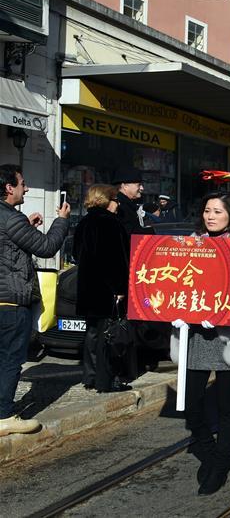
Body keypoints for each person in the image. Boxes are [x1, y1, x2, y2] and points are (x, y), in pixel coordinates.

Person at [173, 191, 230, 495]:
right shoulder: (192, 242)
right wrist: (176, 311)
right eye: (207, 210)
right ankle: (209, 452)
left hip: (227, 337)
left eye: (218, 212)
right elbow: (176, 283)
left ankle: (221, 460)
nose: (210, 216)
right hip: (197, 337)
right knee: (191, 405)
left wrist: (225, 313)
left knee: (226, 407)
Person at [0, 165, 70, 437]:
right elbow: (46, 247)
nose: (26, 188)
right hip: (9, 304)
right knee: (9, 361)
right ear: (9, 188)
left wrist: (26, 226)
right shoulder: (10, 218)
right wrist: (61, 220)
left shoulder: (11, 220)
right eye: (22, 183)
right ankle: (4, 416)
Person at [74, 184, 132, 393]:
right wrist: (119, 288)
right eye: (115, 200)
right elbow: (116, 261)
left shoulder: (84, 222)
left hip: (88, 287)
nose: (118, 204)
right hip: (108, 289)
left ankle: (89, 377)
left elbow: (75, 254)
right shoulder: (111, 223)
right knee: (110, 334)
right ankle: (106, 379)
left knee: (92, 333)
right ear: (106, 200)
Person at [112, 167, 154, 235]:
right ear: (125, 186)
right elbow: (127, 233)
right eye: (139, 185)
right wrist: (151, 231)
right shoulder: (119, 206)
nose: (142, 188)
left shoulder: (128, 204)